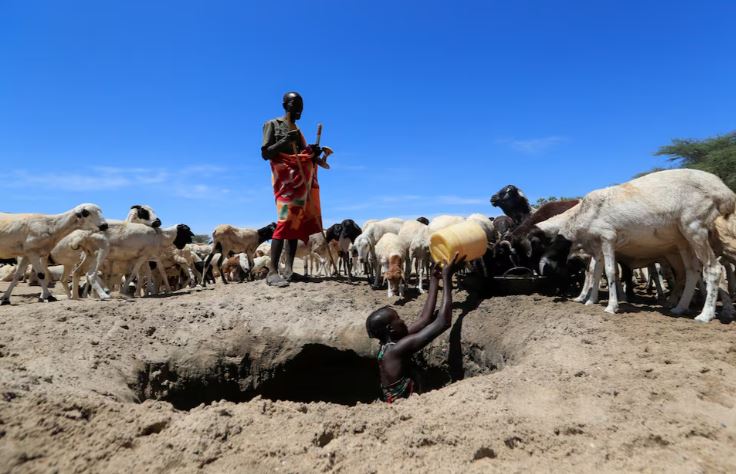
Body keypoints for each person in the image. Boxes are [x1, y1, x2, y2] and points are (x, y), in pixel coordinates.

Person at [365, 254, 466, 403]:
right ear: (390, 329)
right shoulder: (396, 350)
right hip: (402, 407)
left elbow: (424, 319)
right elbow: (443, 322)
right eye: (397, 319)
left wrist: (434, 279)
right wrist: (447, 278)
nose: (403, 320)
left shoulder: (390, 342)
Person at [260, 92, 326, 287]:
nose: (299, 109)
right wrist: (284, 142)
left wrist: (312, 152)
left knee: (295, 224)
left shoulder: (298, 130)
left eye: (301, 105)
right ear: (285, 104)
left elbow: (301, 155)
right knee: (284, 221)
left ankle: (288, 270)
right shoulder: (272, 124)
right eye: (294, 104)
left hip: (300, 183)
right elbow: (265, 153)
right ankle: (272, 271)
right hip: (284, 182)